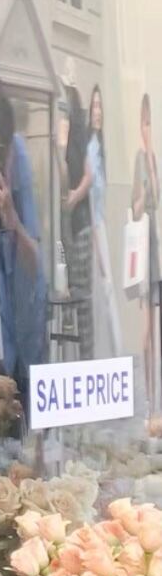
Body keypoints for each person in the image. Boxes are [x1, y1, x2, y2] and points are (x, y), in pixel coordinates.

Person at [0, 84, 47, 399]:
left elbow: (35, 260)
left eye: (2, 152)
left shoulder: (20, 159)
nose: (0, 163)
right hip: (2, 322)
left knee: (29, 391)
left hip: (28, 313)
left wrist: (12, 219)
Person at [67, 84, 122, 357]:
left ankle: (113, 354)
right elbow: (88, 184)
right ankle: (112, 354)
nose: (97, 112)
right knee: (102, 292)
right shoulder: (89, 143)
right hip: (92, 226)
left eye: (100, 106)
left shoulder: (99, 145)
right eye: (94, 106)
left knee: (105, 292)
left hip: (98, 225)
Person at [58, 82, 94, 358]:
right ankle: (70, 359)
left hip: (79, 224)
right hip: (64, 226)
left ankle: (86, 356)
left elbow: (89, 176)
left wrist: (74, 197)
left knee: (82, 296)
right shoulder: (60, 142)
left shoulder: (81, 141)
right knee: (66, 292)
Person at [132, 93, 160, 410]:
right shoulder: (139, 158)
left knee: (155, 324)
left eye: (150, 121)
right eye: (144, 122)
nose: (147, 127)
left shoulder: (151, 158)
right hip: (142, 242)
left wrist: (153, 159)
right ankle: (147, 391)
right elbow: (137, 206)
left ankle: (155, 394)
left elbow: (158, 195)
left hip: (154, 245)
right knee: (145, 327)